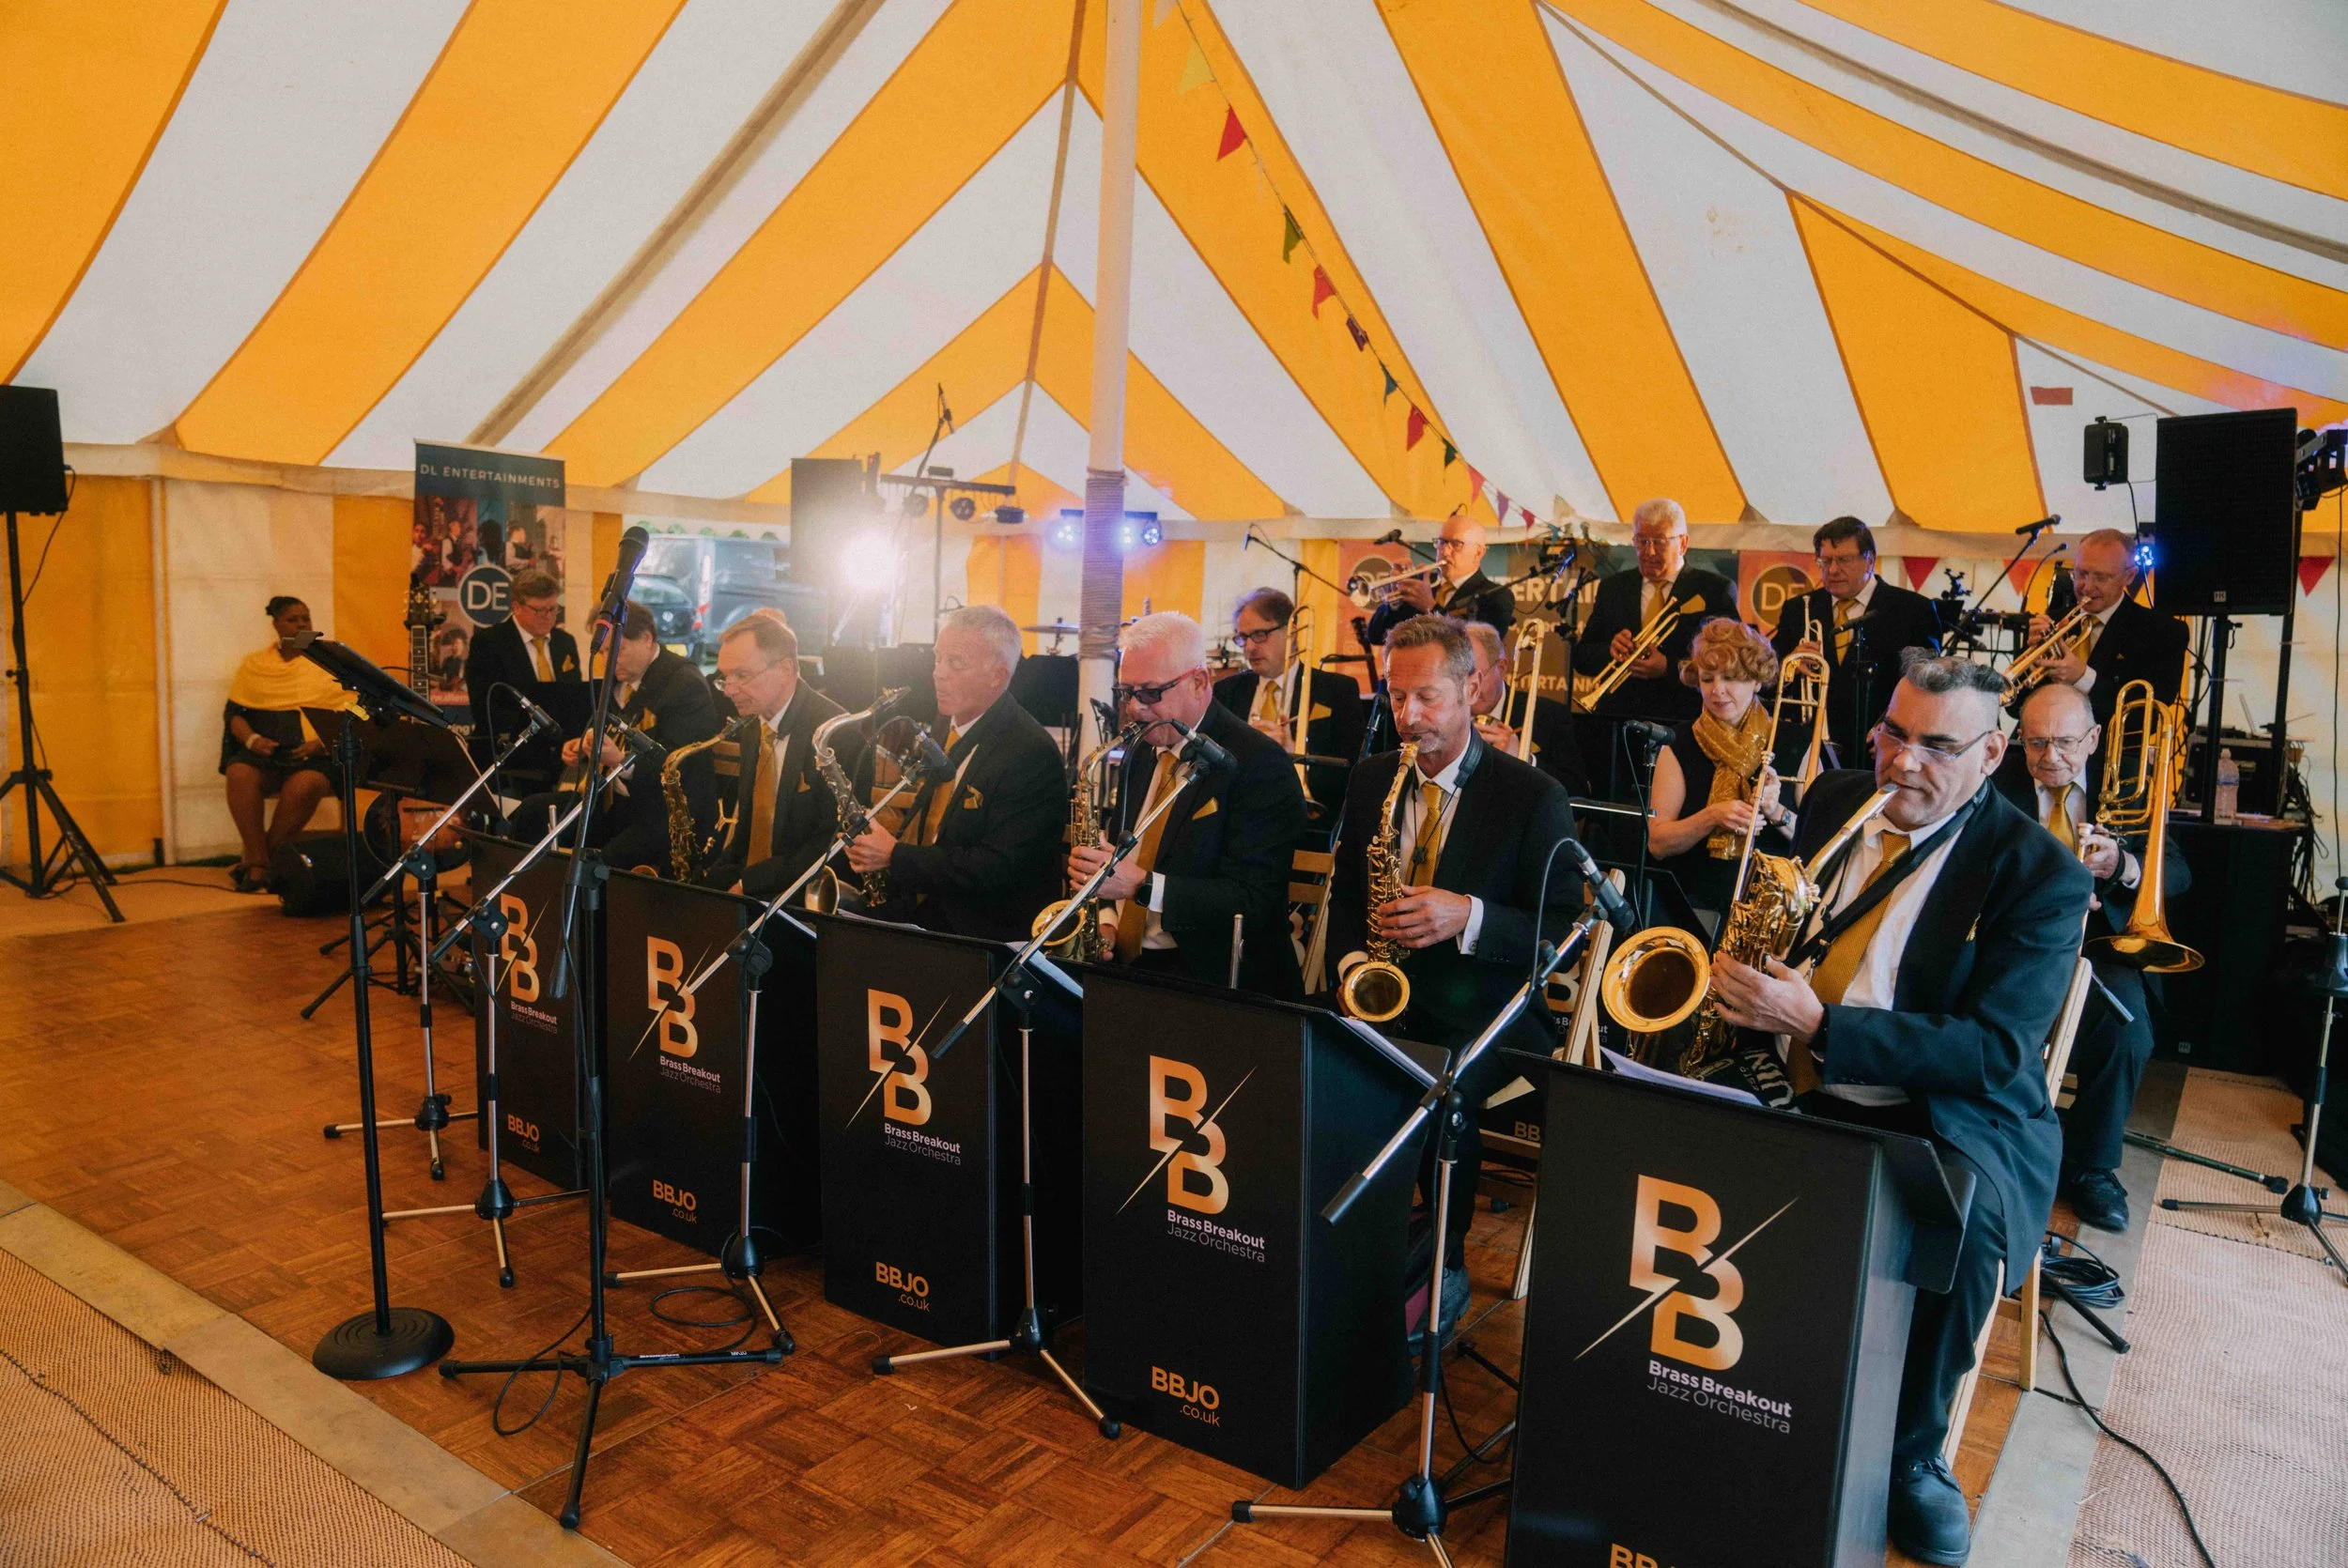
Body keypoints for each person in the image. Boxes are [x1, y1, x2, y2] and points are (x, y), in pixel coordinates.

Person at [1709, 654, 2091, 1567]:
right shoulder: (1841, 796)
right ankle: (1707, 1384)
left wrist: (1822, 1023)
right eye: (1893, 732)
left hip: (1944, 1112)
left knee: (1957, 1220)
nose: (1902, 762)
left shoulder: (2037, 872)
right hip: (1793, 1073)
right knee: (1654, 1124)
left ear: (1993, 750)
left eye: (1935, 744)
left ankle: (1915, 1451)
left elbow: (1995, 1053)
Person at [1325, 615, 1581, 1336]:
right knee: (1314, 1053)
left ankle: (1444, 1262)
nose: (1408, 718)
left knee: (1445, 1083)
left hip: (1488, 1003)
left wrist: (1467, 914)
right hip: (1385, 991)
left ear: (1474, 688)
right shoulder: (1373, 778)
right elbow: (1348, 901)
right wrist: (1353, 971)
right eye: (1396, 698)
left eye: (1428, 698)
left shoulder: (1532, 796)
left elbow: (1559, 933)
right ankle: (1346, 1247)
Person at [1994, 682, 2188, 1233]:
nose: (2049, 758)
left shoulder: (2129, 788)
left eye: (2063, 742)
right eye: (2034, 744)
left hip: (2098, 947)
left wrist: (2122, 864)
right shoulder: (1994, 780)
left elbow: (2178, 871)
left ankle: (2093, 1167)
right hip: (2011, 940)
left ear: (2095, 738)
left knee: (2129, 1034)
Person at [1068, 612, 1306, 997]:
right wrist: (1109, 919)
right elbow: (1120, 859)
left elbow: (1254, 899)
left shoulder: (1259, 762)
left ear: (1199, 682)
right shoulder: (1145, 747)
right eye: (1125, 692)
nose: (1134, 709)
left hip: (1210, 981)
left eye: (1149, 692)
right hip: (1129, 963)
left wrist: (1143, 887)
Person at [846, 606, 1067, 941]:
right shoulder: (949, 722)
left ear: (997, 676)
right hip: (931, 908)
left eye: (955, 663)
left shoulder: (1030, 751)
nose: (938, 673)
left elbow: (997, 868)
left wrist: (894, 855)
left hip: (981, 933)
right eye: (938, 659)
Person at [512, 601, 724, 874]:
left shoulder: (683, 683)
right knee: (531, 813)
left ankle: (577, 910)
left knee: (593, 866)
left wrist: (622, 762)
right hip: (616, 805)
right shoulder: (616, 682)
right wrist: (585, 748)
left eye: (618, 650)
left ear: (647, 638)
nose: (608, 661)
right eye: (602, 652)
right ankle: (527, 896)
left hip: (665, 815)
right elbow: (609, 736)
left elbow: (680, 764)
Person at [1571, 498, 1738, 792]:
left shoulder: (1715, 589)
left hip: (1684, 725)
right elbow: (1583, 657)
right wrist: (1609, 649)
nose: (1648, 551)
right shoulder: (1614, 587)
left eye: (1659, 542)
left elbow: (1730, 662)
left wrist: (1669, 668)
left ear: (1683, 543)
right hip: (1620, 727)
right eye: (1641, 540)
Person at [1645, 619, 1798, 925]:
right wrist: (1712, 816)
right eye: (1707, 678)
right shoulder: (1677, 743)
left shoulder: (1798, 742)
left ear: (1757, 680)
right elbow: (1657, 843)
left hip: (1778, 910)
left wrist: (1774, 809)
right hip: (1695, 908)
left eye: (1731, 678)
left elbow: (1820, 839)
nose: (1717, 690)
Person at [693, 612, 853, 898]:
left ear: (785, 669)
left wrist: (747, 886)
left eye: (741, 675)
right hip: (758, 882)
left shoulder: (837, 732)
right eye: (725, 677)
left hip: (806, 895)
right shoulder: (754, 724)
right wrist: (708, 884)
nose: (729, 690)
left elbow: (830, 842)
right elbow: (748, 831)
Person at [1769, 515, 1943, 765]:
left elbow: (1926, 685)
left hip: (1881, 751)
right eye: (1825, 560)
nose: (1832, 570)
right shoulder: (1799, 609)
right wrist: (1791, 663)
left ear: (1870, 559)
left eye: (1844, 560)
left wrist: (1893, 728)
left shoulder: (1913, 609)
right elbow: (1768, 676)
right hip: (1812, 755)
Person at [220, 597, 361, 893]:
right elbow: (235, 715)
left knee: (304, 784)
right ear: (276, 624)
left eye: (305, 619)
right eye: (292, 619)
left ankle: (259, 864)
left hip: (317, 756)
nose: (301, 625)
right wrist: (252, 740)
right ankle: (262, 860)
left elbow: (356, 712)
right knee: (239, 774)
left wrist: (321, 744)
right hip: (267, 756)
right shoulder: (255, 664)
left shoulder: (328, 661)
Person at [1212, 586, 1365, 836]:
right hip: (1237, 824)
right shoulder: (1226, 692)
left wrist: (1295, 755)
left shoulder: (1337, 690)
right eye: (1243, 637)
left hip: (1307, 828)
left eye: (1260, 634)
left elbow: (1353, 773)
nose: (1249, 647)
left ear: (1292, 632)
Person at [2019, 528, 2187, 729]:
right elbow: (2014, 707)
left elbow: (2145, 719)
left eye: (2101, 577)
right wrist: (2033, 661)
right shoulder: (2054, 620)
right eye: (2081, 574)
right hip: (2038, 743)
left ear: (2130, 576)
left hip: (2108, 754)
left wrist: (2083, 678)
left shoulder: (2163, 631)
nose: (2087, 587)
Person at [464, 568, 580, 793]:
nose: (548, 616)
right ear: (516, 607)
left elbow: (572, 697)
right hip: (510, 762)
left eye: (553, 609)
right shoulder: (488, 642)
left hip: (560, 757)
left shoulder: (564, 642)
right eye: (539, 610)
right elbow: (484, 707)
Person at [1461, 620, 1583, 796]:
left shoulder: (1549, 716)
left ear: (1501, 668)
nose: (1466, 689)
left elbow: (1577, 793)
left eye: (1475, 677)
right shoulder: (1442, 713)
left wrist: (1524, 758)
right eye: (1457, 676)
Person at [1362, 515, 1515, 648]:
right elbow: (1375, 636)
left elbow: (1479, 647)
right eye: (1442, 542)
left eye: (1456, 544)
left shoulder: (1497, 595)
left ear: (1478, 552)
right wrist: (1394, 603)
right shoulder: (1421, 584)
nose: (1445, 551)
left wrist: (1430, 607)